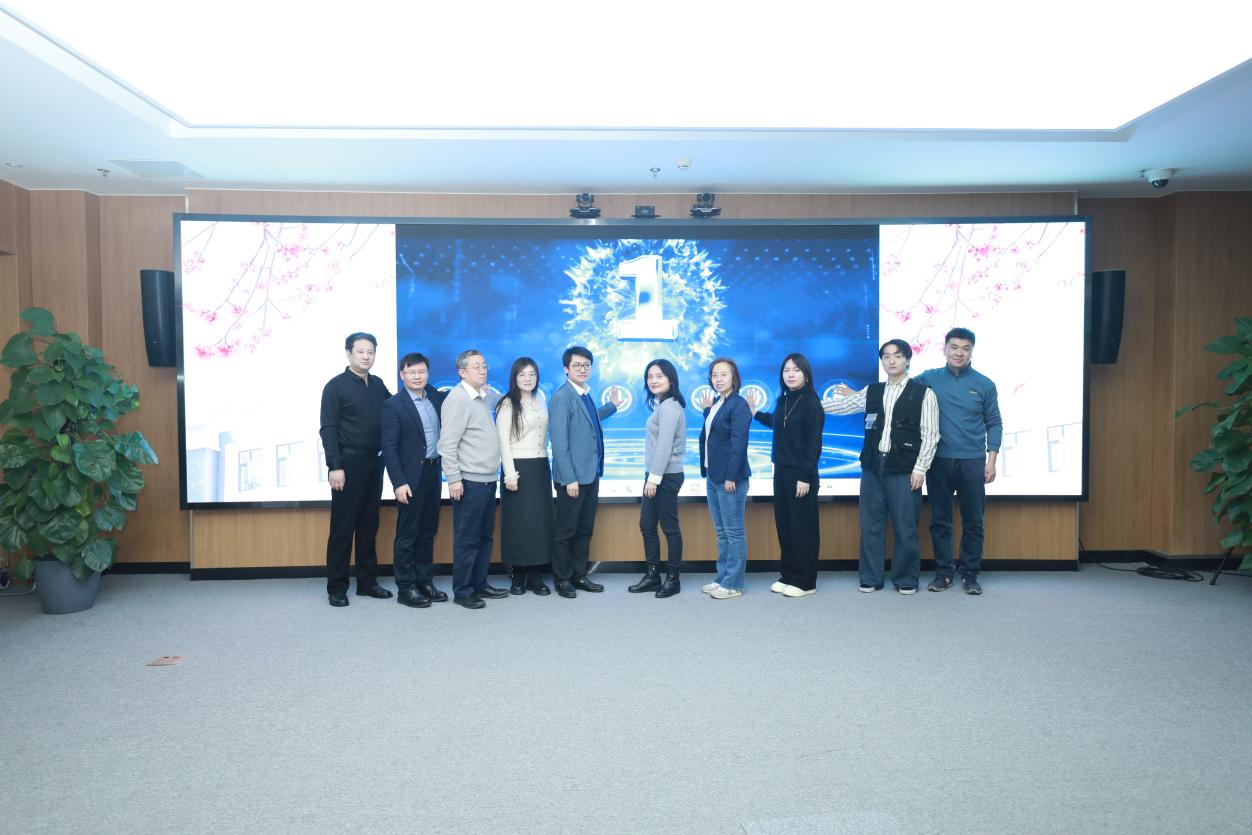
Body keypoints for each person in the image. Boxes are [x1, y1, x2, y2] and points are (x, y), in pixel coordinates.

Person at [825, 339, 940, 594]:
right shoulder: (872, 391)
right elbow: (843, 406)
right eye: (886, 356)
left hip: (905, 468)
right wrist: (809, 403)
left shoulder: (924, 394)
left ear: (907, 359)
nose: (891, 360)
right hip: (873, 466)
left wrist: (920, 469)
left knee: (905, 526)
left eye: (897, 356)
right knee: (871, 525)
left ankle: (906, 579)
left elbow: (931, 435)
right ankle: (870, 578)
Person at [915, 327, 1002, 595]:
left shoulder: (985, 384)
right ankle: (943, 574)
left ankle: (970, 575)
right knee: (940, 520)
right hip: (939, 460)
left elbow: (994, 423)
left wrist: (991, 461)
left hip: (972, 461)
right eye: (954, 347)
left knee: (973, 521)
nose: (959, 353)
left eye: (965, 348)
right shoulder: (928, 378)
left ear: (971, 351)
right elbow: (898, 387)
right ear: (945, 349)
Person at [320, 332, 393, 607]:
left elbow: (395, 410)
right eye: (360, 351)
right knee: (343, 528)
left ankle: (367, 582)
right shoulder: (335, 386)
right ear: (348, 353)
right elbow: (328, 429)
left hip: (375, 463)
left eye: (370, 352)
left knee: (368, 526)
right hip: (347, 465)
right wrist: (334, 466)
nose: (366, 356)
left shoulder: (378, 384)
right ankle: (337, 587)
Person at [437, 349, 509, 609]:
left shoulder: (482, 397)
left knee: (485, 536)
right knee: (467, 538)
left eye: (485, 366)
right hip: (469, 481)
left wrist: (491, 391)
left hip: (488, 479)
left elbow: (502, 401)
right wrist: (454, 479)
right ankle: (463, 591)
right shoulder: (458, 399)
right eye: (476, 366)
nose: (483, 370)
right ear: (462, 372)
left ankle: (480, 584)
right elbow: (447, 444)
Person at [548, 346, 618, 598]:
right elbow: (559, 443)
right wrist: (570, 479)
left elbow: (588, 421)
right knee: (566, 531)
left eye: (587, 365)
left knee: (584, 529)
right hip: (573, 479)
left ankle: (579, 575)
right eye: (577, 365)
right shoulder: (562, 397)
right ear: (566, 369)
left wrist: (611, 407)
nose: (583, 369)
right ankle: (562, 579)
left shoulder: (584, 394)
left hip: (590, 474)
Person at [753, 353, 826, 597]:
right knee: (785, 526)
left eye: (796, 370)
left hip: (801, 474)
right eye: (786, 370)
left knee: (802, 528)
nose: (790, 374)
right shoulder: (784, 399)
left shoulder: (811, 403)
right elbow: (777, 422)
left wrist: (805, 477)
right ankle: (788, 575)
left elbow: (814, 445)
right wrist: (755, 413)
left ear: (806, 374)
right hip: (781, 471)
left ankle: (805, 581)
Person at [380, 352, 448, 609]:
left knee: (428, 532)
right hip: (409, 478)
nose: (417, 376)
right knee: (407, 535)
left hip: (433, 473)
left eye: (421, 371)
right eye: (411, 372)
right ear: (402, 375)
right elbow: (389, 448)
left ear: (428, 373)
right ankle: (406, 587)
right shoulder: (393, 405)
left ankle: (424, 582)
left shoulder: (436, 397)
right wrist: (398, 482)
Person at [628, 359, 687, 598]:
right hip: (655, 474)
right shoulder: (661, 405)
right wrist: (651, 477)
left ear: (670, 379)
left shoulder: (670, 406)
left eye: (659, 376)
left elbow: (664, 446)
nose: (653, 380)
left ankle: (673, 579)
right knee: (647, 525)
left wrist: (653, 479)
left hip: (666, 476)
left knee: (670, 528)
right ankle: (653, 575)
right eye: (650, 376)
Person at [496, 357, 554, 596]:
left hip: (540, 466)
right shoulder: (507, 403)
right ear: (515, 377)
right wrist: (510, 473)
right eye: (522, 374)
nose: (527, 379)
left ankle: (535, 576)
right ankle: (518, 574)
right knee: (518, 523)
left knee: (538, 522)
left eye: (532, 374)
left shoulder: (541, 400)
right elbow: (503, 441)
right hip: (517, 468)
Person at [699, 357, 752, 599]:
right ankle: (722, 577)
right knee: (721, 532)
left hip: (730, 479)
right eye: (714, 375)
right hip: (713, 475)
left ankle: (734, 583)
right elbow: (716, 435)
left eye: (723, 374)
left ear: (734, 378)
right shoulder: (717, 404)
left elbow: (739, 443)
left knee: (734, 533)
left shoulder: (738, 404)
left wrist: (731, 476)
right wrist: (707, 412)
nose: (718, 379)